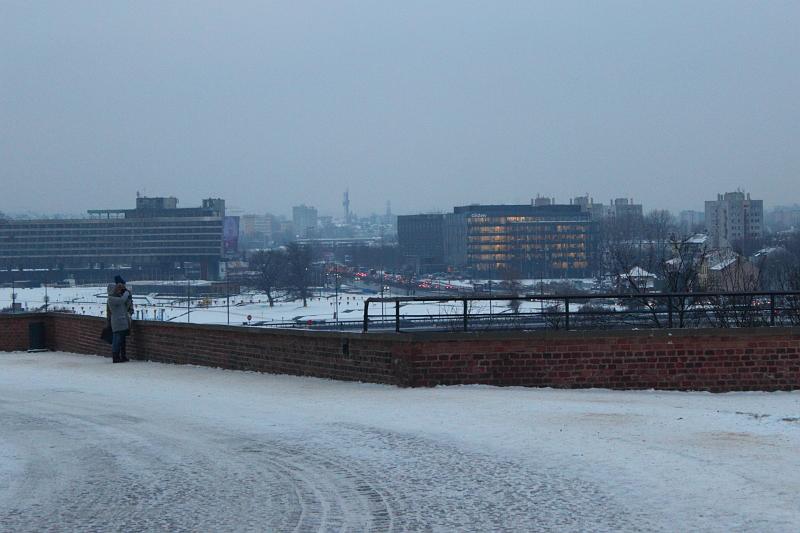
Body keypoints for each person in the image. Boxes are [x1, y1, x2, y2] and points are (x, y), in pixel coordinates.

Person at [106, 276, 133, 363]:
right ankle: (116, 357)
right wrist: (126, 293)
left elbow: (126, 305)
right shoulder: (111, 299)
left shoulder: (116, 298)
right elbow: (122, 301)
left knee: (121, 340)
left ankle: (122, 356)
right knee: (117, 341)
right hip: (118, 322)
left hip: (122, 322)